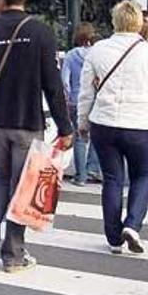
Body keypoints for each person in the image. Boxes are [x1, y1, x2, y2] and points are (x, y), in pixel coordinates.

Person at [0, 0, 73, 273]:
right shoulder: (41, 32)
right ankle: (13, 255)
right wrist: (65, 128)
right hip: (28, 123)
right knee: (23, 188)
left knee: (2, 178)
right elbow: (53, 85)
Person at [78, 0, 148, 255]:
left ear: (114, 21)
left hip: (104, 123)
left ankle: (113, 238)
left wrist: (82, 122)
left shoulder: (97, 50)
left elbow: (85, 93)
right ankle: (132, 224)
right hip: (139, 124)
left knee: (112, 179)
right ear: (140, 23)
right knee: (141, 176)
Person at [61, 22, 101, 187]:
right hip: (95, 99)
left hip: (76, 99)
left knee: (79, 137)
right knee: (96, 136)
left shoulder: (71, 55)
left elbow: (65, 80)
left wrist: (68, 97)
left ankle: (81, 176)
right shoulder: (98, 54)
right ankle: (92, 168)